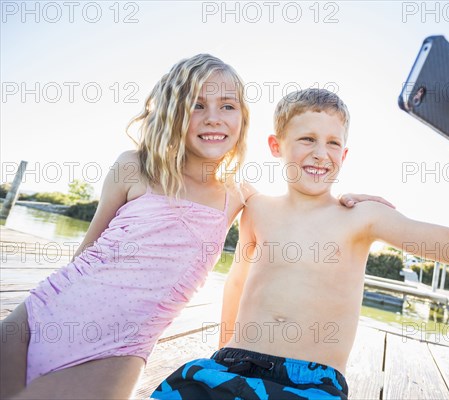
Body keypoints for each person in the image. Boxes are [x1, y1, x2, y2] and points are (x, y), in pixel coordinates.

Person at [0, 55, 383, 400]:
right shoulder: (133, 166)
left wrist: (349, 202)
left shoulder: (239, 195)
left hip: (118, 349)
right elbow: (86, 250)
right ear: (174, 111)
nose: (213, 117)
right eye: (197, 105)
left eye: (227, 106)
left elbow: (302, 206)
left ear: (242, 119)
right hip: (41, 315)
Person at [152, 85, 449, 399]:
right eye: (306, 139)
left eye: (332, 143)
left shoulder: (361, 216)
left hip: (308, 381)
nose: (320, 153)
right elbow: (240, 280)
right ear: (276, 147)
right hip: (231, 365)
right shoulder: (256, 207)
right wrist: (222, 353)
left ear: (344, 156)